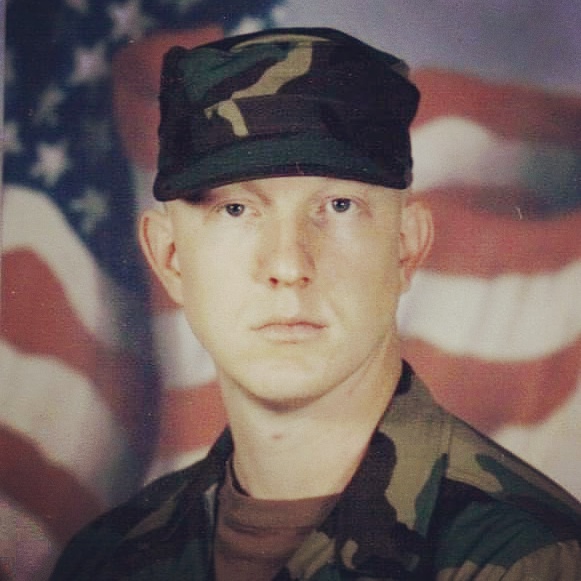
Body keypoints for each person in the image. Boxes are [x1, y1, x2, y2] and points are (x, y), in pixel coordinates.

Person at [50, 27, 581, 580]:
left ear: (405, 246)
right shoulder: (105, 560)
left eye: (339, 205)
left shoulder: (528, 561)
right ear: (171, 258)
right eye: (236, 210)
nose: (287, 265)